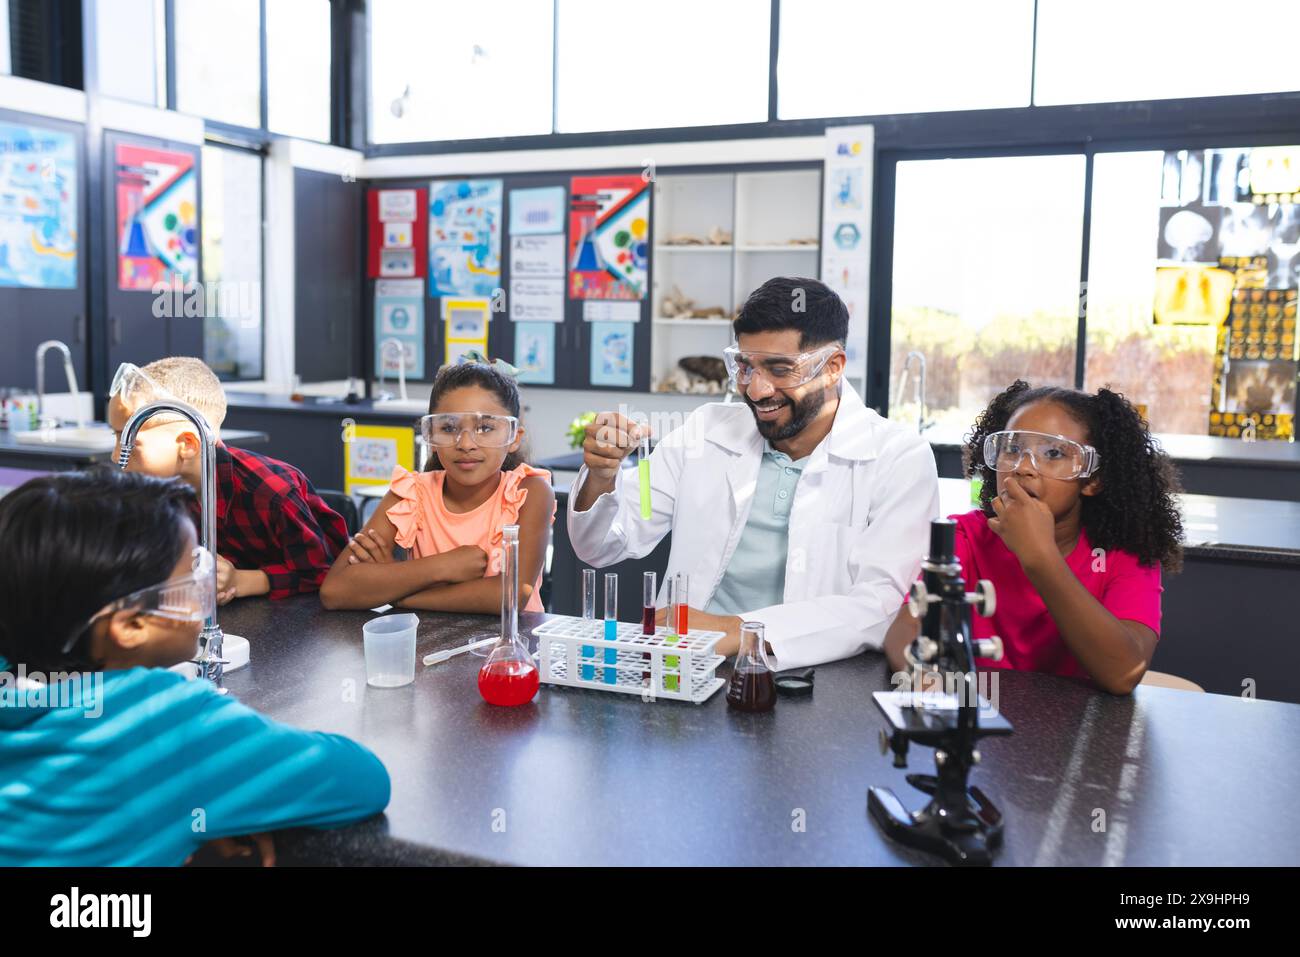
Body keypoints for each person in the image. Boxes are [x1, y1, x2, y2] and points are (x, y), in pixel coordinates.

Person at [0, 469, 390, 866]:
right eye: (190, 577)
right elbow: (362, 780)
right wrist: (224, 798)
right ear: (131, 626)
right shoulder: (163, 718)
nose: (204, 586)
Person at [568, 277, 939, 669]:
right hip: (684, 668)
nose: (757, 390)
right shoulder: (704, 431)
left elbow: (879, 607)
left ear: (833, 367)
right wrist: (602, 477)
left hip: (813, 678)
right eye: (745, 367)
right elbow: (604, 546)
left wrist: (736, 629)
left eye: (780, 370)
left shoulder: (898, 458)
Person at [884, 380, 1184, 694]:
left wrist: (1040, 558)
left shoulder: (1125, 553)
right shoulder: (967, 536)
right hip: (979, 716)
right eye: (1012, 449)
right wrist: (945, 694)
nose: (1023, 467)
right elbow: (905, 634)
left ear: (1093, 479)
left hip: (1079, 734)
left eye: (1053, 453)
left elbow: (1124, 672)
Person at [319, 359, 555, 614]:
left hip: (510, 650)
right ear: (430, 434)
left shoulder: (529, 492)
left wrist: (397, 592)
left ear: (513, 438)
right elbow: (336, 591)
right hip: (428, 647)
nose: (465, 443)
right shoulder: (411, 494)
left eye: (485, 428)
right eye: (448, 427)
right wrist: (442, 566)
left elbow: (512, 594)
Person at [108, 357, 349, 605]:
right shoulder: (159, 491)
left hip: (297, 624)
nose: (117, 456)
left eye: (129, 443)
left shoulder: (271, 491)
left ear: (188, 444)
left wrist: (241, 581)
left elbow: (323, 573)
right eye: (116, 436)